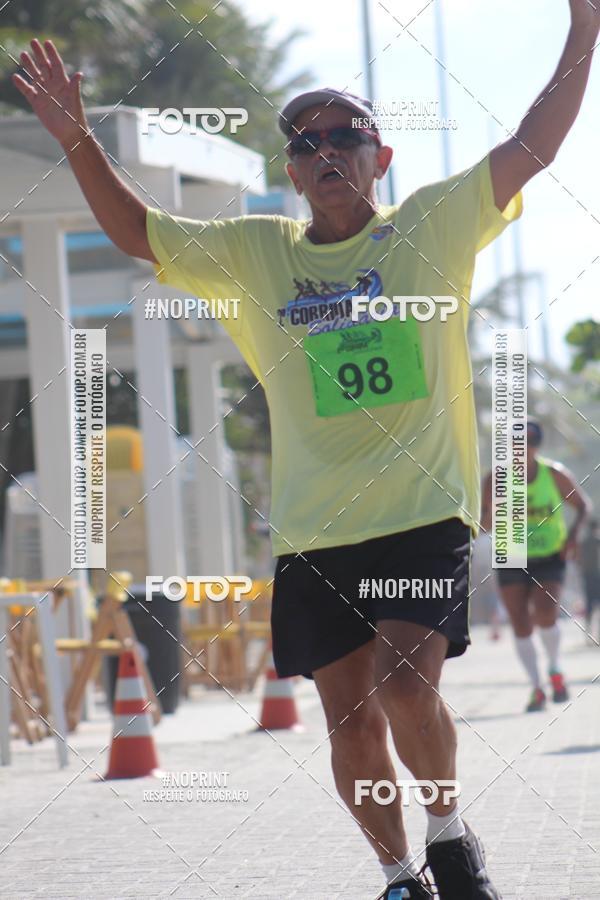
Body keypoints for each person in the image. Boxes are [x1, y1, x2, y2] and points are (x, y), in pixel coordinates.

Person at [13, 4, 600, 895]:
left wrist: (585, 26)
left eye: (345, 136)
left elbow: (535, 145)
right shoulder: (257, 254)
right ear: (289, 171)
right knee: (351, 726)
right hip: (313, 533)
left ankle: (449, 834)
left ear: (380, 158)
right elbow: (138, 233)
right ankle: (398, 873)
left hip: (420, 518)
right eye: (305, 142)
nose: (326, 151)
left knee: (405, 686)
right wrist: (76, 138)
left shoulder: (433, 226)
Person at [481, 419, 592, 713]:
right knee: (519, 622)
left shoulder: (554, 474)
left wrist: (573, 537)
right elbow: (483, 523)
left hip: (549, 554)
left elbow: (583, 506)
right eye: (517, 443)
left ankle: (555, 668)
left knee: (545, 612)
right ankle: (536, 687)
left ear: (538, 446)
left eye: (530, 442)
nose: (523, 448)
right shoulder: (496, 479)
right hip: (511, 555)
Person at [580, 518, 600, 640]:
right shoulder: (597, 540)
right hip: (597, 575)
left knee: (589, 605)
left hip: (587, 576)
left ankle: (588, 634)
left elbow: (579, 560)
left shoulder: (584, 542)